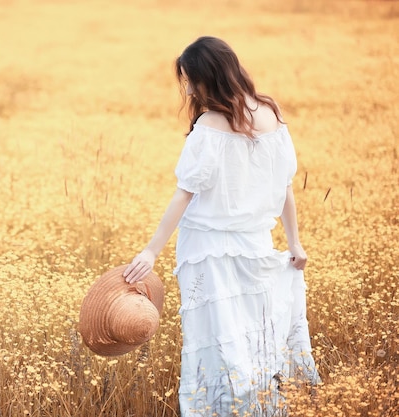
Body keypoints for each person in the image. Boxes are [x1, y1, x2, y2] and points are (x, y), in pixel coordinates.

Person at [122, 36, 320, 416]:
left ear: (205, 78)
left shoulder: (210, 125)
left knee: (216, 343)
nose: (189, 88)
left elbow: (184, 195)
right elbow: (285, 189)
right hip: (255, 247)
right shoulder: (270, 113)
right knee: (254, 340)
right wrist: (294, 242)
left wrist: (150, 251)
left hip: (207, 251)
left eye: (190, 80)